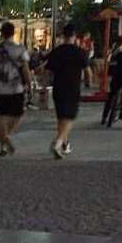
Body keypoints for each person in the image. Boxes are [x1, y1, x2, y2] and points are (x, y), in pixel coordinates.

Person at [44, 23, 88, 158]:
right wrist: (88, 82)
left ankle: (64, 144)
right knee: (69, 118)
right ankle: (57, 143)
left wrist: (45, 85)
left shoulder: (56, 51)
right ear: (74, 36)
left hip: (58, 88)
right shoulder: (80, 52)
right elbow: (87, 70)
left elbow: (47, 71)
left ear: (63, 36)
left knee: (61, 118)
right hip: (72, 88)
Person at [0, 21, 30, 156]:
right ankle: (6, 137)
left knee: (1, 116)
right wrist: (29, 83)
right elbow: (25, 69)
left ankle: (3, 145)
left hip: (1, 89)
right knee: (18, 113)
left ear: (2, 34)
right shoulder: (20, 49)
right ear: (13, 33)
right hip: (17, 88)